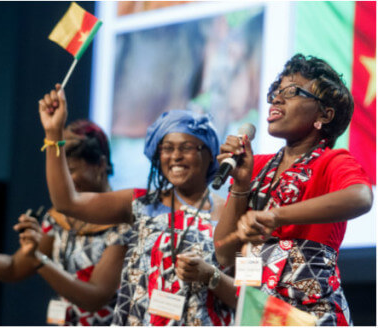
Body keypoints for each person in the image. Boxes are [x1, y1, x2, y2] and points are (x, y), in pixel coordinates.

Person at [38, 84, 237, 325]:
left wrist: (210, 276)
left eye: (186, 147)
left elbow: (245, 299)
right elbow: (67, 202)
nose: (175, 156)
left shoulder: (229, 213)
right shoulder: (141, 203)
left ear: (209, 153)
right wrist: (53, 133)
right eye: (167, 148)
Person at [213, 54, 372, 325]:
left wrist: (278, 216)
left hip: (309, 315)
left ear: (324, 114)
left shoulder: (331, 161)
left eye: (290, 91)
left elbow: (361, 197)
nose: (276, 98)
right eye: (275, 91)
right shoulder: (257, 166)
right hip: (257, 314)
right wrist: (241, 185)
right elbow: (225, 255)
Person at [0, 120, 128, 325]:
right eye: (61, 173)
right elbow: (13, 268)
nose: (64, 181)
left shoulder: (122, 223)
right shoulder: (57, 220)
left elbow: (94, 298)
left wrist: (38, 259)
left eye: (71, 171)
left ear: (101, 164)